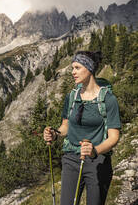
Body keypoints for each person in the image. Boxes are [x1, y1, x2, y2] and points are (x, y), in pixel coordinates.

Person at [43, 50, 121, 205]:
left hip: (98, 161)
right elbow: (65, 126)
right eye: (72, 68)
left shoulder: (108, 99)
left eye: (77, 68)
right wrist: (55, 133)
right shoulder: (71, 97)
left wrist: (94, 151)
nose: (73, 72)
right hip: (71, 158)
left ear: (89, 69)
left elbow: (114, 137)